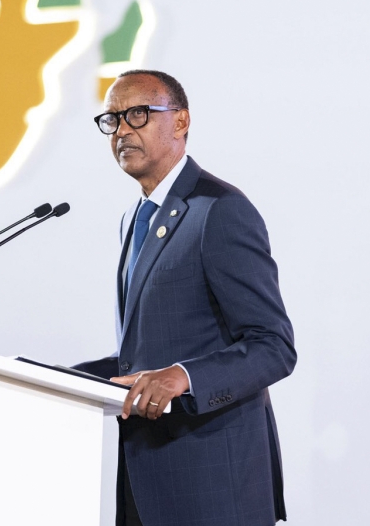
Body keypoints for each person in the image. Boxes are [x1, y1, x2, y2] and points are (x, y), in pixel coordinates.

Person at [74, 70, 296, 526]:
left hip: (215, 486)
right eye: (112, 120)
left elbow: (273, 346)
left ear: (180, 122)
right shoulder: (133, 219)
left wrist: (183, 377)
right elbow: (143, 356)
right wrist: (51, 378)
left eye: (138, 114)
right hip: (146, 485)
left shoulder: (219, 210)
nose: (122, 131)